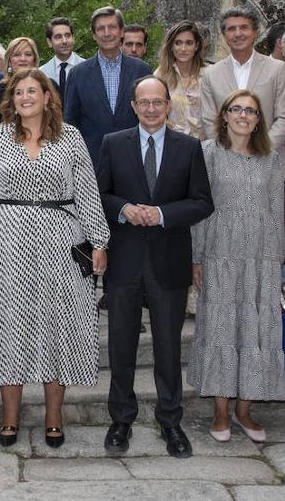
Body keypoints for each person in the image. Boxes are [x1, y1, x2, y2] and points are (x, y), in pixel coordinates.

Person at [0, 69, 109, 448]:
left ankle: (54, 417)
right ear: (11, 100)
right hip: (8, 241)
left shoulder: (70, 137)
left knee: (57, 326)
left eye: (33, 90)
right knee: (9, 327)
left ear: (48, 96)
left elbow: (86, 191)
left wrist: (100, 241)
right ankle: (10, 417)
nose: (26, 97)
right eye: (19, 92)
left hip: (61, 241)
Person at [97, 76, 214, 458]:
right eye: (143, 102)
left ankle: (170, 422)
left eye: (158, 102)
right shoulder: (114, 144)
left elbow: (201, 202)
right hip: (125, 260)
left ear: (168, 105)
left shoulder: (188, 147)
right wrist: (124, 210)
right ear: (133, 105)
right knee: (121, 344)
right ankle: (121, 420)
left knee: (167, 347)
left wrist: (162, 213)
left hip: (169, 261)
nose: (150, 109)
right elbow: (99, 194)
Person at [188, 90, 285, 443]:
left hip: (260, 257)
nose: (244, 115)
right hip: (220, 252)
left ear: (259, 119)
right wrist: (196, 257)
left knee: (255, 331)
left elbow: (277, 210)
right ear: (225, 115)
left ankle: (245, 411)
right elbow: (199, 210)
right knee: (220, 329)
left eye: (251, 111)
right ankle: (219, 413)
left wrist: (276, 261)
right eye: (237, 109)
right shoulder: (207, 154)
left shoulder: (272, 158)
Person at [63, 6, 153, 170]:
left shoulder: (142, 70)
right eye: (100, 29)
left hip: (135, 161)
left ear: (121, 32)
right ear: (94, 35)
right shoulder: (77, 74)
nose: (106, 33)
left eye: (112, 27)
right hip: (91, 164)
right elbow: (70, 123)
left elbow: (151, 115)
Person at [199, 7, 285, 151]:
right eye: (231, 29)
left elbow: (284, 118)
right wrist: (229, 152)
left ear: (255, 32)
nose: (238, 34)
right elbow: (209, 120)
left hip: (268, 157)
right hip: (225, 159)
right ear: (224, 35)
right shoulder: (211, 74)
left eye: (244, 27)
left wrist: (261, 149)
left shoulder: (277, 69)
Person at [154, 20, 208, 138]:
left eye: (189, 43)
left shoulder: (210, 74)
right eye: (178, 43)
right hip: (172, 144)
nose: (183, 49)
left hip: (204, 146)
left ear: (196, 46)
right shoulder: (160, 75)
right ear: (171, 46)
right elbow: (155, 112)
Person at [39, 17, 84, 99]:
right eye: (58, 37)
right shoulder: (42, 73)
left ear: (73, 38)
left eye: (68, 36)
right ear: (49, 42)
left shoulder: (88, 69)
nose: (64, 41)